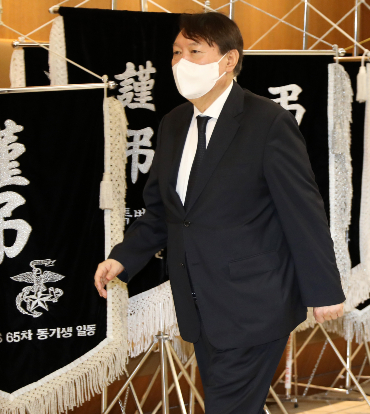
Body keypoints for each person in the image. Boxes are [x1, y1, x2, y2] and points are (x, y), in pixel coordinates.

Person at [95, 12, 345, 414]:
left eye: (195, 51)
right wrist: (123, 257)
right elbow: (164, 212)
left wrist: (324, 290)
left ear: (229, 60)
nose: (181, 62)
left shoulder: (268, 122)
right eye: (176, 52)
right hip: (200, 303)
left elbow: (303, 212)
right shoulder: (174, 123)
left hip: (255, 302)